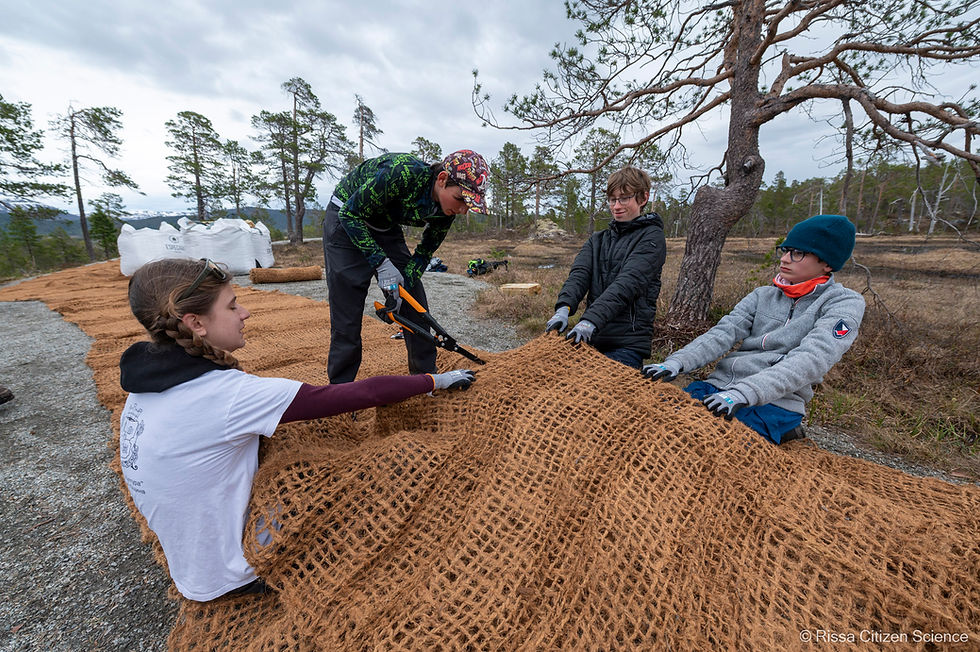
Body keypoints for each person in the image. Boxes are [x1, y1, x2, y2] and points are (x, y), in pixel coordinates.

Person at [119, 258, 476, 602]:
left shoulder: (143, 388)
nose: (244, 313)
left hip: (194, 565)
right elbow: (359, 394)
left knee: (285, 438)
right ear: (196, 323)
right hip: (235, 571)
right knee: (369, 476)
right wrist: (435, 379)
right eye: (232, 307)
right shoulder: (228, 396)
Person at [642, 214, 864, 445]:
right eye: (785, 250)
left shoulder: (843, 303)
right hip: (719, 387)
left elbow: (811, 359)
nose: (785, 259)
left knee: (707, 443)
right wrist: (676, 363)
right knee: (656, 419)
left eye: (798, 253)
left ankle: (783, 431)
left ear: (827, 262)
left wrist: (744, 393)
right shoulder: (762, 295)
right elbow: (722, 333)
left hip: (775, 402)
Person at [323, 150, 489, 384]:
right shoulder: (401, 173)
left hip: (384, 226)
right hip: (346, 219)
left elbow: (423, 254)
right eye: (461, 199)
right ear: (442, 180)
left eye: (469, 205)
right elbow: (350, 213)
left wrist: (403, 285)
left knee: (414, 304)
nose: (463, 210)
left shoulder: (445, 210)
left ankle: (426, 380)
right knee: (347, 312)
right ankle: (340, 391)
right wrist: (381, 263)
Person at [545, 166, 666, 369]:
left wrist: (590, 320)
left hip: (627, 345)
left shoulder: (652, 238)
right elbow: (579, 275)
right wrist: (563, 309)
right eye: (612, 199)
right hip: (590, 337)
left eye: (624, 198)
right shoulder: (597, 240)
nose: (616, 206)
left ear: (643, 198)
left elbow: (627, 284)